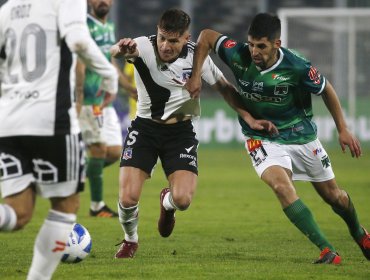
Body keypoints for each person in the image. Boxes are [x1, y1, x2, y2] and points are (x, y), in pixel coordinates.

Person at [186, 12, 370, 264]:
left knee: (334, 196)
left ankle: (359, 233)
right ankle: (326, 249)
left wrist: (343, 128)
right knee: (282, 187)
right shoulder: (237, 53)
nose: (254, 51)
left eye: (261, 46)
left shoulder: (296, 66)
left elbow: (326, 89)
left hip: (300, 135)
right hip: (261, 136)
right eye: (251, 44)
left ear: (276, 44)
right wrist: (196, 75)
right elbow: (206, 36)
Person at [110, 8, 277, 259]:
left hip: (180, 133)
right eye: (162, 37)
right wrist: (119, 49)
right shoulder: (142, 46)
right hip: (145, 128)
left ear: (186, 39)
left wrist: (248, 117)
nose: (165, 45)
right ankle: (130, 240)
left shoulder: (195, 58)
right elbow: (112, 52)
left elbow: (224, 86)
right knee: (128, 196)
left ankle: (167, 203)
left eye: (173, 40)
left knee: (183, 200)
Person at [0, 0, 118, 279]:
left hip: (8, 122)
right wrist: (108, 73)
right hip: (50, 120)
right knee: (65, 208)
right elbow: (78, 41)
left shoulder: (5, 10)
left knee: (19, 213)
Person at [76, 0, 136, 218]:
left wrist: (128, 87)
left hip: (106, 99)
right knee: (99, 149)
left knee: (113, 153)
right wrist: (79, 97)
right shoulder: (84, 25)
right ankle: (97, 206)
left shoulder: (108, 26)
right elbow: (80, 61)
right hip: (91, 99)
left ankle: (77, 173)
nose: (103, 1)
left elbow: (110, 62)